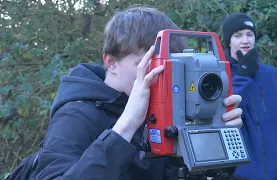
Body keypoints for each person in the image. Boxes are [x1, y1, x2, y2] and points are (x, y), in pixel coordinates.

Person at [25, 7, 244, 180]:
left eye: (170, 69)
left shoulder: (169, 105)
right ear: (111, 63)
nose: (161, 78)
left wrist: (217, 138)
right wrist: (126, 126)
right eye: (149, 66)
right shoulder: (77, 116)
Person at [221, 12, 277, 180]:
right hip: (237, 176)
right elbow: (222, 114)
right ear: (228, 41)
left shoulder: (274, 76)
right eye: (238, 35)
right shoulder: (218, 77)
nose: (245, 40)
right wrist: (243, 76)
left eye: (249, 34)